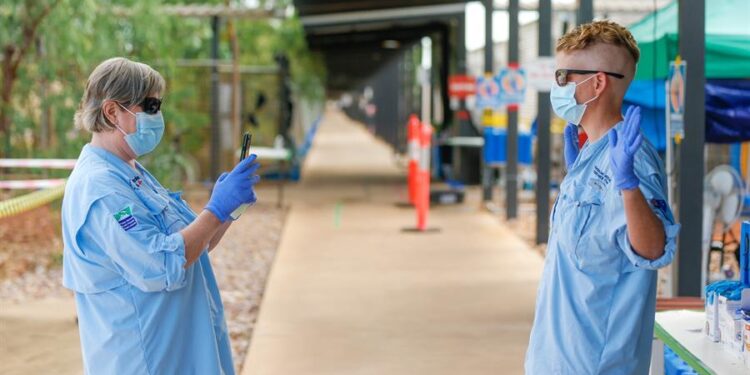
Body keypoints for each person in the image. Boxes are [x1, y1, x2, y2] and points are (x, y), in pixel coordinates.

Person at [61, 57, 259, 374]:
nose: (159, 117)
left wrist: (228, 210)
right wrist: (215, 209)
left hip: (175, 352)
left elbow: (193, 247)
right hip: (143, 360)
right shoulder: (101, 190)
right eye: (150, 107)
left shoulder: (130, 171)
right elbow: (160, 264)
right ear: (112, 112)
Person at [525, 21, 680, 374]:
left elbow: (654, 249)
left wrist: (627, 184)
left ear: (597, 82)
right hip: (557, 359)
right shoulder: (591, 153)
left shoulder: (631, 159)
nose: (557, 86)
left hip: (597, 365)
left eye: (564, 77)